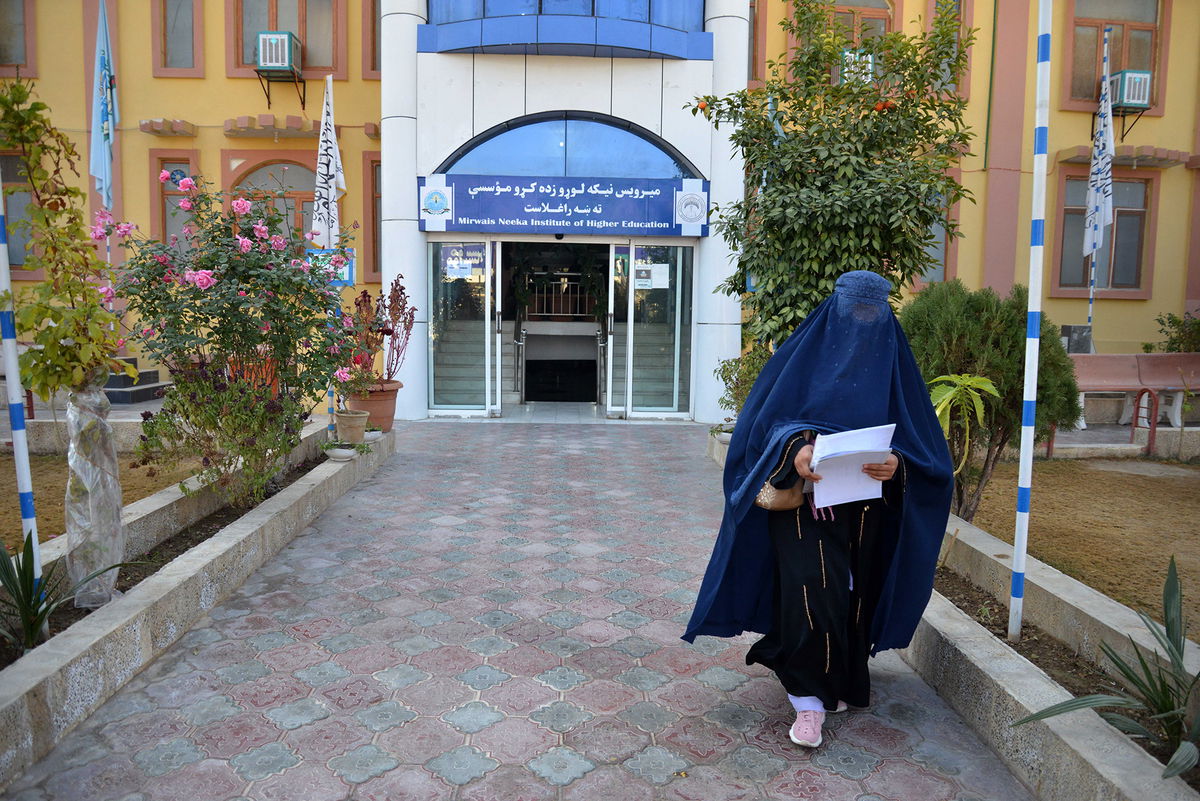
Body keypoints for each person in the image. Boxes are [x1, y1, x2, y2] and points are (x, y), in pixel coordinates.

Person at [683, 270, 953, 749]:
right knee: (814, 594)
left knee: (850, 598)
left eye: (874, 313)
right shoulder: (801, 360)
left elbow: (927, 453)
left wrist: (897, 463)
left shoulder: (896, 370)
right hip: (805, 509)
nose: (862, 325)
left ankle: (839, 680)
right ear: (834, 309)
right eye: (854, 310)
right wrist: (797, 451)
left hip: (868, 515)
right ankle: (808, 703)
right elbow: (759, 430)